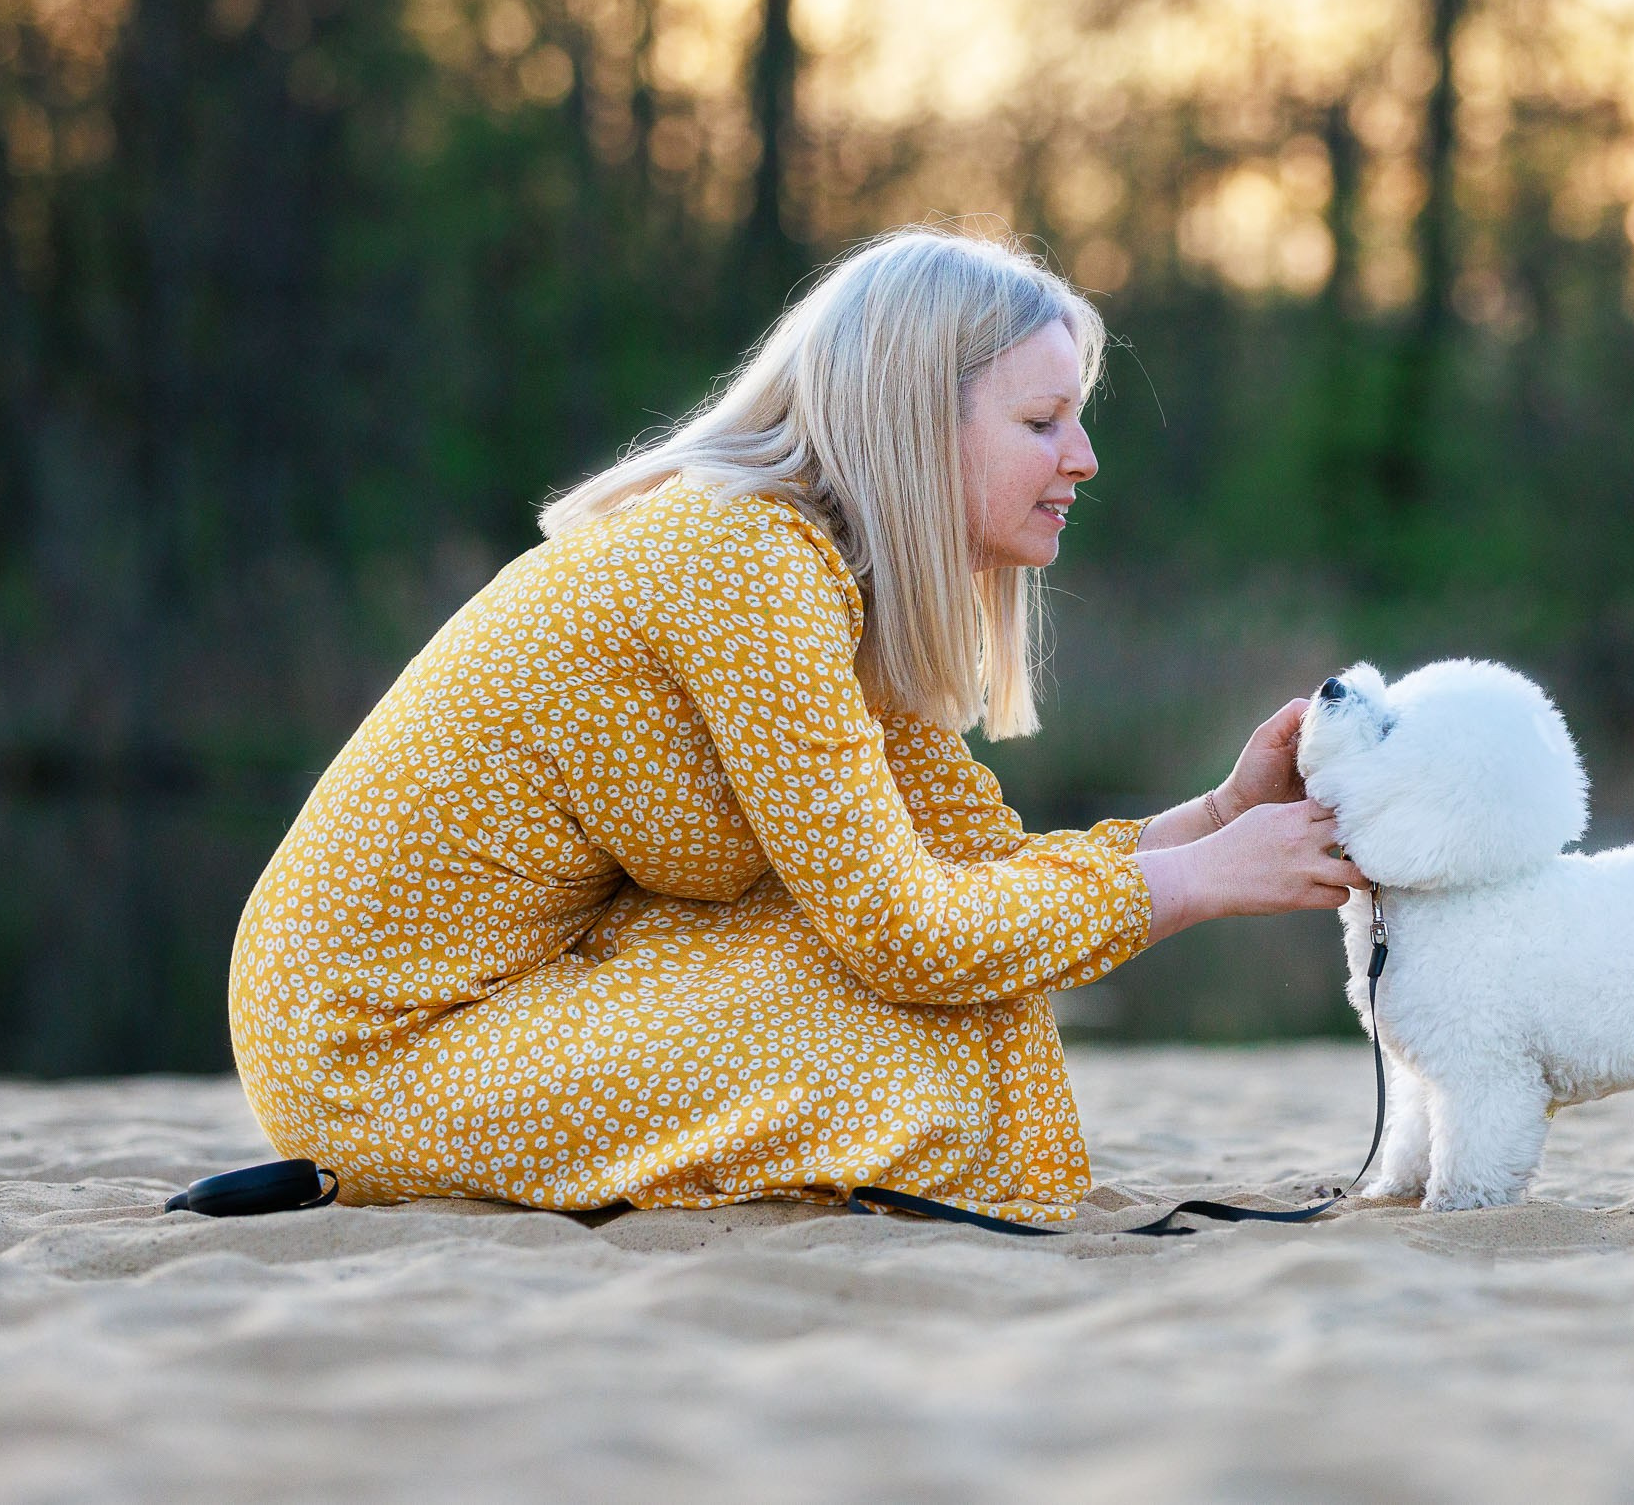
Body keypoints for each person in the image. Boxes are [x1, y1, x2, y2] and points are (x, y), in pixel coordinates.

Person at [227, 227, 1365, 1221]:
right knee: (919, 1039)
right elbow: (906, 930)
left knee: (954, 1010)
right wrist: (1212, 875)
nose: (1084, 457)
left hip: (528, 991)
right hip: (376, 1048)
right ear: (917, 421)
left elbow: (967, 870)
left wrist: (1220, 815)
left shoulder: (836, 590)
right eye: (1042, 419)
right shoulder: (741, 558)